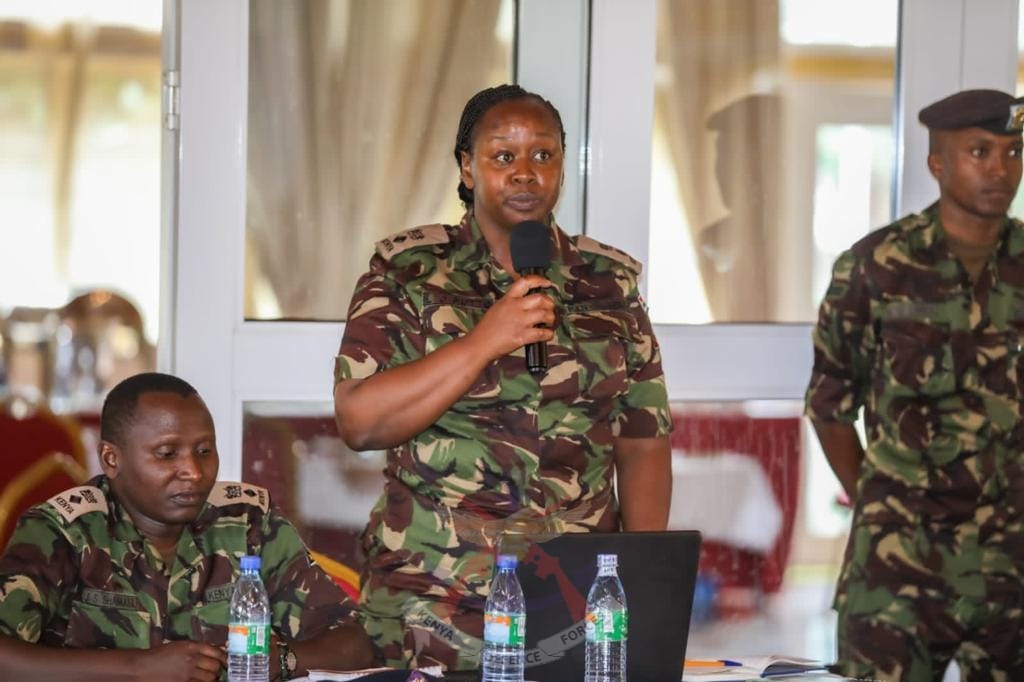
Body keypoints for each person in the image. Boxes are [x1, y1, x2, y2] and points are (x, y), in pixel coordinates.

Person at [333, 83, 673, 670]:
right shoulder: (408, 272)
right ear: (467, 168)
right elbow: (360, 421)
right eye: (503, 155)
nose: (524, 173)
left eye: (543, 154)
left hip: (575, 596)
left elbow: (643, 442)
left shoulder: (608, 283)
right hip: (433, 596)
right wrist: (484, 340)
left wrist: (639, 578)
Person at [806, 89, 1024, 681]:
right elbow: (829, 403)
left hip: (1012, 562)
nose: (999, 169)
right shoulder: (876, 265)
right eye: (979, 151)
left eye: (1012, 152)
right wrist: (881, 499)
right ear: (937, 163)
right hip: (898, 573)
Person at [0, 372, 374, 681]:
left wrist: (287, 660)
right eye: (167, 454)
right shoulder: (64, 531)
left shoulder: (247, 522)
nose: (193, 472)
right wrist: (137, 668)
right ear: (111, 459)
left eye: (204, 451)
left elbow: (355, 642)